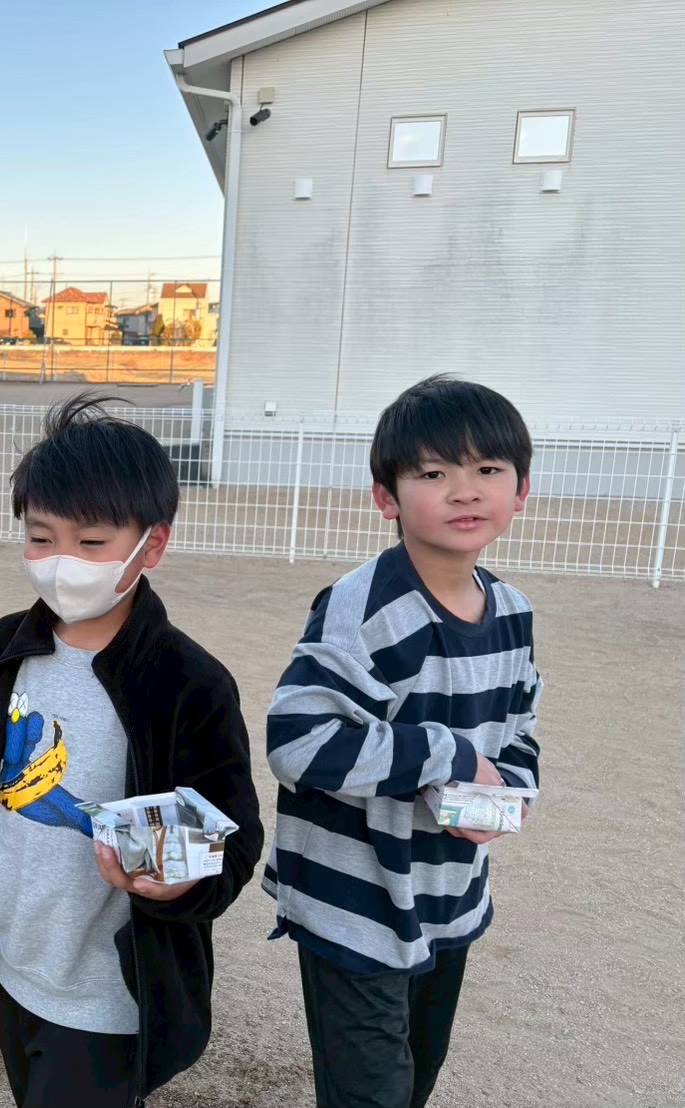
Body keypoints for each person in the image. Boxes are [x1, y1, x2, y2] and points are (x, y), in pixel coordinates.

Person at [0, 395, 264, 1108]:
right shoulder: (1, 650)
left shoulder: (187, 680)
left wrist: (180, 881)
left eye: (92, 543)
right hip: (13, 965)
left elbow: (232, 838)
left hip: (109, 995)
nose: (63, 563)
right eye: (42, 538)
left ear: (151, 545)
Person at [261, 374, 542, 1108]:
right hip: (352, 901)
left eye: (488, 470)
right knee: (371, 1094)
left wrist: (511, 793)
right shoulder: (364, 608)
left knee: (417, 1074)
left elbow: (519, 727)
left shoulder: (512, 612)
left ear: (520, 491)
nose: (464, 491)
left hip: (447, 891)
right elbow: (298, 740)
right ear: (385, 497)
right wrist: (450, 755)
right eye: (433, 473)